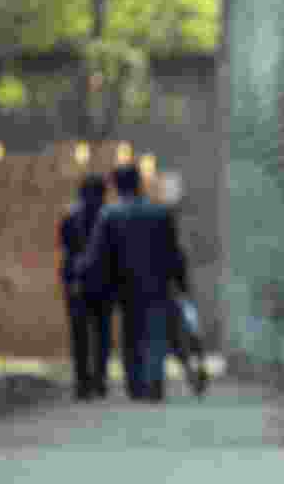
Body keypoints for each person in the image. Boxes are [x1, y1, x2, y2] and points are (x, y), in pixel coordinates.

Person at [77, 164, 191, 401]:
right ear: (139, 183)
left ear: (117, 186)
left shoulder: (109, 214)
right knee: (155, 333)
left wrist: (82, 272)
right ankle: (154, 381)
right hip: (158, 282)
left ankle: (137, 384)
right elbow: (174, 252)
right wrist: (181, 281)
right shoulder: (160, 212)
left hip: (125, 285)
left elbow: (97, 253)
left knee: (133, 334)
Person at [58, 174, 113, 400]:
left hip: (77, 282)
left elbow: (64, 246)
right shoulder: (108, 216)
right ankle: (99, 380)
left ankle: (82, 382)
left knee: (80, 334)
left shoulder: (71, 217)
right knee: (102, 334)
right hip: (103, 282)